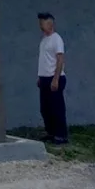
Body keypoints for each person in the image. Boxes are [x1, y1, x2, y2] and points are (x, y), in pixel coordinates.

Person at [36, 12, 68, 144]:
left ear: (50, 24)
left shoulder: (56, 39)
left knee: (56, 108)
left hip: (54, 78)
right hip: (44, 78)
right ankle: (51, 132)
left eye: (42, 23)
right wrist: (40, 77)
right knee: (45, 108)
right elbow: (44, 60)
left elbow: (60, 59)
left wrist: (55, 79)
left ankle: (61, 135)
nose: (40, 26)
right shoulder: (44, 40)